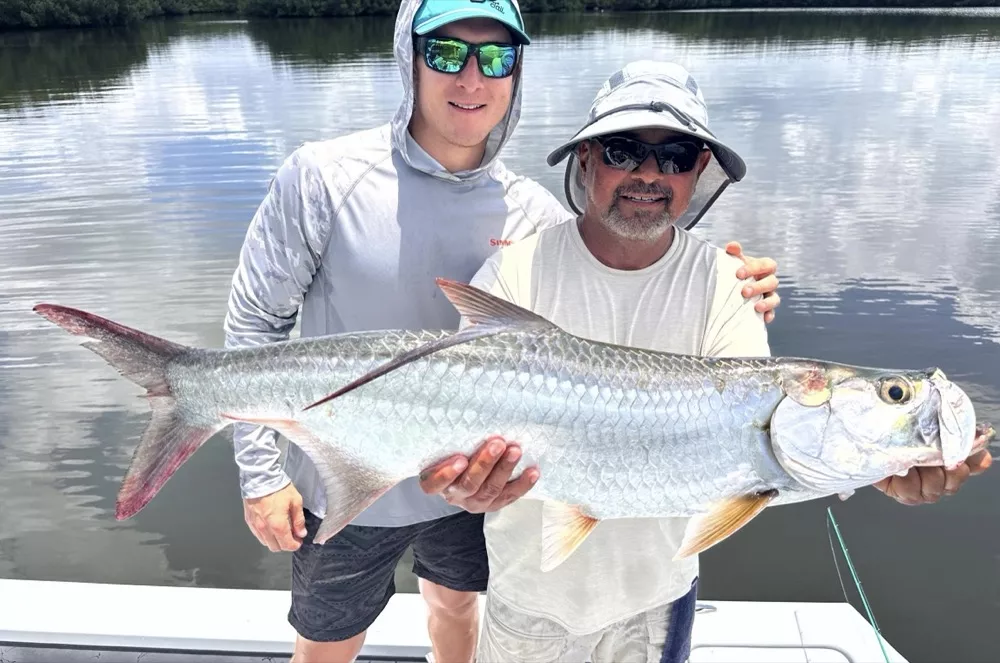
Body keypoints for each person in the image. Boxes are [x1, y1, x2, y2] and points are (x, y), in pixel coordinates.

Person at [223, 1, 781, 660]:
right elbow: (256, 319)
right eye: (445, 53)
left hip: (471, 476)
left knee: (455, 616)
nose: (471, 79)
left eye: (495, 58)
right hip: (347, 469)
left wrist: (738, 281)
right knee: (326, 640)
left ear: (516, 71)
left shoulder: (532, 213)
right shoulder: (323, 176)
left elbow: (615, 262)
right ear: (409, 56)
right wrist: (261, 473)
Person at [414, 59, 996, 663]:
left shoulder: (728, 286)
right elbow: (458, 440)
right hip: (529, 595)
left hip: (658, 601)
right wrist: (463, 486)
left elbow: (772, 452)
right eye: (622, 149)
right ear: (585, 160)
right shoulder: (514, 273)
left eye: (675, 157)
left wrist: (876, 467)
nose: (647, 173)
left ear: (699, 171)